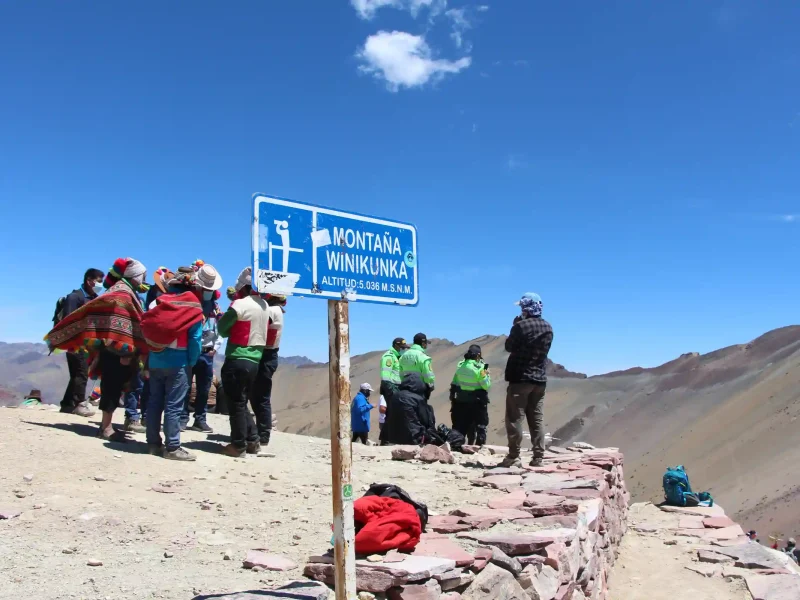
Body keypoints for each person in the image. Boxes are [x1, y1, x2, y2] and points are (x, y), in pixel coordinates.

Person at [46, 258, 150, 440]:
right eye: (142, 275)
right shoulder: (122, 295)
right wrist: (124, 351)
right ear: (135, 275)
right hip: (115, 351)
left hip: (117, 350)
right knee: (111, 386)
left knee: (115, 387)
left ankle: (106, 425)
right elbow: (118, 326)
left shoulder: (124, 292)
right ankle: (105, 428)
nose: (144, 279)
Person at [141, 267, 205, 460]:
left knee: (154, 402)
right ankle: (173, 447)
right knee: (173, 406)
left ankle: (152, 443)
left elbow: (146, 327)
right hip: (179, 361)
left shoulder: (156, 303)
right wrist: (191, 361)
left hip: (156, 359)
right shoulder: (193, 305)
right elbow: (195, 338)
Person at [218, 267, 271, 458]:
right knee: (242, 401)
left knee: (235, 404)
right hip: (255, 361)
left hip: (237, 358)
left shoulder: (240, 304)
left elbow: (222, 329)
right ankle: (252, 440)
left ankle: (238, 445)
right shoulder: (265, 306)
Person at [500, 292, 554, 469]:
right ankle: (538, 456)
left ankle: (514, 456)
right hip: (539, 379)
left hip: (520, 378)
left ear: (526, 308)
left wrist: (515, 326)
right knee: (536, 418)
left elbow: (509, 346)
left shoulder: (520, 327)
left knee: (515, 418)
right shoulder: (548, 327)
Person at [180, 264, 223, 433]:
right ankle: (182, 418)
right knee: (186, 386)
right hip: (190, 350)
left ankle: (200, 419)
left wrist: (216, 347)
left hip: (207, 353)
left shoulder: (215, 307)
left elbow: (220, 329)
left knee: (204, 388)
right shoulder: (190, 302)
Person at [58, 268, 105, 417]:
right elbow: (68, 320)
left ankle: (66, 404)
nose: (100, 284)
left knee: (77, 374)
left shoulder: (93, 298)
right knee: (81, 372)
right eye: (98, 281)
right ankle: (79, 404)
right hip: (76, 342)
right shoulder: (75, 297)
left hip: (88, 342)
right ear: (89, 280)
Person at [249, 293, 286, 447]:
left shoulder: (272, 311)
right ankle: (261, 431)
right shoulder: (277, 311)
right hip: (269, 354)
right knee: (259, 395)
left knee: (261, 396)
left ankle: (263, 433)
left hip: (265, 354)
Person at [450, 344, 491, 446]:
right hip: (477, 402)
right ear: (478, 355)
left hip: (461, 401)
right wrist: (487, 374)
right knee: (481, 426)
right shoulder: (482, 367)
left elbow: (455, 382)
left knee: (461, 425)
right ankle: (479, 447)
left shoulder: (460, 365)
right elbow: (486, 385)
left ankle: (457, 444)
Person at [385, 372, 436, 446]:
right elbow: (425, 420)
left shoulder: (394, 397)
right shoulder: (417, 399)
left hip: (393, 437)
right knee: (429, 410)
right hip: (413, 438)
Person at [379, 337, 408, 445]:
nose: (403, 349)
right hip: (391, 388)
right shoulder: (389, 357)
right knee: (392, 413)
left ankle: (389, 438)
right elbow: (385, 377)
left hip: (396, 388)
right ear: (396, 346)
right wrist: (392, 390)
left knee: (393, 413)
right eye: (402, 347)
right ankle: (386, 439)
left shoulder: (397, 357)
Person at [399, 333, 435, 398]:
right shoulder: (424, 357)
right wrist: (430, 386)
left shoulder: (403, 356)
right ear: (423, 343)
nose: (426, 345)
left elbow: (400, 374)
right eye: (426, 343)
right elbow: (428, 376)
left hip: (405, 390)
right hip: (419, 390)